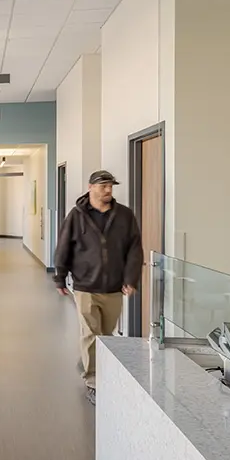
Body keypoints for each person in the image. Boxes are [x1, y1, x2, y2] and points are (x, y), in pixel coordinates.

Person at [53, 170, 143, 405]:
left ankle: (87, 361)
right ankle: (93, 381)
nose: (108, 190)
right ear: (91, 187)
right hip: (85, 285)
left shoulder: (124, 216)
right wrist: (59, 277)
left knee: (106, 334)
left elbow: (134, 248)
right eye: (103, 186)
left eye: (111, 186)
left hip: (114, 287)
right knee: (91, 334)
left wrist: (131, 278)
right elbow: (64, 246)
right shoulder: (76, 216)